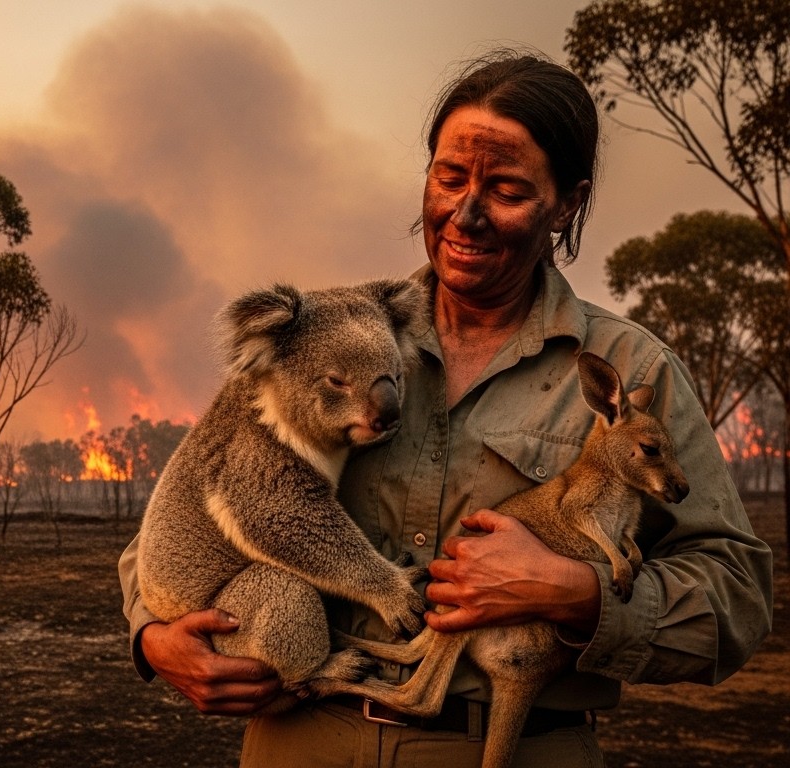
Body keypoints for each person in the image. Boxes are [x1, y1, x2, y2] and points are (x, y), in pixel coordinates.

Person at [117, 50, 774, 768]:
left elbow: (736, 600)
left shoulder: (629, 372)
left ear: (567, 203)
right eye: (449, 177)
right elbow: (196, 502)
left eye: (507, 189)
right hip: (304, 737)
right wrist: (154, 635)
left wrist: (580, 593)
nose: (466, 213)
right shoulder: (325, 341)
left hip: (511, 741)